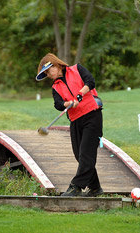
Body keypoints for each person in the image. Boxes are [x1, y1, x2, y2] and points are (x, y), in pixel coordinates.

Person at [36, 53, 103, 197]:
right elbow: (58, 104)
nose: (48, 74)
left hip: (92, 115)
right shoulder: (55, 87)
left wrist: (79, 95)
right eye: (46, 73)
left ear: (56, 65)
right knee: (79, 155)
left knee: (86, 154)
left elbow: (90, 82)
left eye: (48, 71)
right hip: (76, 120)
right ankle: (95, 188)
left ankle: (76, 187)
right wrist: (68, 103)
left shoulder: (77, 69)